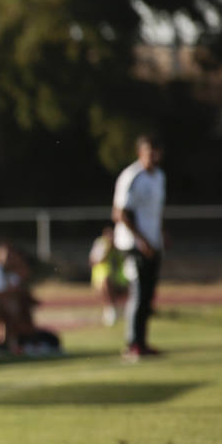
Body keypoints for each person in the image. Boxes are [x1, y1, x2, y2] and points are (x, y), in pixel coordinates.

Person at [112, 134, 167, 360]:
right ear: (140, 153)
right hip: (133, 245)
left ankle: (142, 342)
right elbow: (120, 213)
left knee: (148, 295)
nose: (153, 156)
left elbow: (154, 212)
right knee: (138, 292)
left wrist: (161, 234)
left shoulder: (160, 177)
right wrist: (141, 241)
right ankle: (132, 343)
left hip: (153, 244)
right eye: (149, 151)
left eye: (156, 151)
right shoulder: (132, 176)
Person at [89, 225, 129, 327]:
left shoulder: (121, 245)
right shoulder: (101, 244)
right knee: (106, 282)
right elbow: (94, 261)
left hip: (120, 278)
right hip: (102, 279)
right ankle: (111, 310)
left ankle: (126, 309)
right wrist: (108, 249)